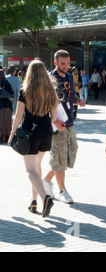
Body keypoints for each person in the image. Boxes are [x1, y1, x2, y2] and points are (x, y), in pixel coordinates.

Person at [8, 60, 59, 217]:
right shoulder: (51, 90)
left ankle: (45, 198)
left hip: (29, 132)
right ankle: (33, 200)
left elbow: (18, 115)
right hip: (45, 131)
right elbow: (54, 116)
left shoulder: (26, 90)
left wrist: (12, 133)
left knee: (30, 170)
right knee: (37, 167)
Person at [43, 50, 86, 204]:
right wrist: (53, 121)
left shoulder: (69, 76)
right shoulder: (49, 79)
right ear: (56, 62)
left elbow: (70, 96)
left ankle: (46, 180)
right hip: (56, 124)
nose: (66, 66)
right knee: (59, 156)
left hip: (69, 122)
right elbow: (43, 103)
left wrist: (78, 101)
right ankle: (62, 190)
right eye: (63, 63)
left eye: (68, 63)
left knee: (71, 152)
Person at [0, 69, 14, 143]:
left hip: (3, 106)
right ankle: (5, 137)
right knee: (6, 122)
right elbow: (12, 94)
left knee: (2, 122)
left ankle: (2, 137)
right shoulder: (6, 82)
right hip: (7, 106)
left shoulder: (5, 82)